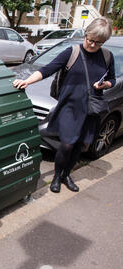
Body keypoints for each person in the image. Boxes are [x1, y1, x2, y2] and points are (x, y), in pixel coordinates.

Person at [13, 18, 116, 193]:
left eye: (98, 43)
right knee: (67, 144)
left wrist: (105, 85)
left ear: (103, 42)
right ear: (85, 34)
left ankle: (66, 175)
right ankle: (56, 177)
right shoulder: (72, 52)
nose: (92, 45)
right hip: (70, 107)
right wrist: (27, 81)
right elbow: (48, 69)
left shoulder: (106, 56)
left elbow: (112, 79)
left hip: (91, 108)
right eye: (90, 40)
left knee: (80, 145)